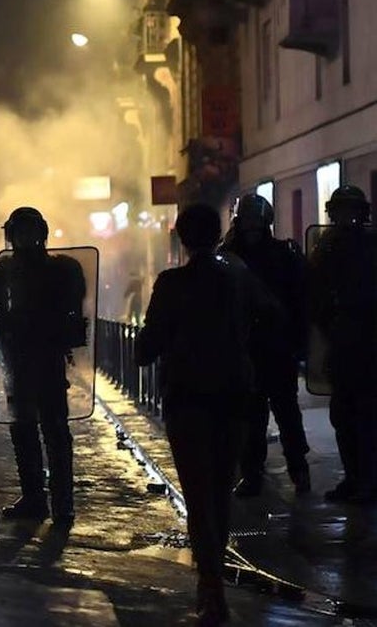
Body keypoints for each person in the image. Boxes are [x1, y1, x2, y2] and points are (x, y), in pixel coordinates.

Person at [136, 204, 263, 625]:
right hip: (234, 395)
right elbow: (272, 317)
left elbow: (147, 347)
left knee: (198, 494)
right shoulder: (239, 277)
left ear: (182, 237)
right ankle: (214, 580)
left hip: (188, 398)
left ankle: (210, 588)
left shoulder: (172, 283)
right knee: (220, 493)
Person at [0, 207, 86, 525]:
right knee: (23, 431)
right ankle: (34, 498)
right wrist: (0, 325)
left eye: (31, 231)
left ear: (42, 233)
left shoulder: (62, 270)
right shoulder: (2, 272)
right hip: (17, 360)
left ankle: (63, 503)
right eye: (20, 232)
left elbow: (74, 311)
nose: (25, 238)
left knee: (56, 432)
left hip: (48, 360)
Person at [220, 193, 311, 497]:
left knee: (283, 413)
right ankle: (256, 473)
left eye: (255, 222)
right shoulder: (232, 257)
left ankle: (295, 470)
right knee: (255, 416)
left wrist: (300, 342)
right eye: (248, 222)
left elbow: (300, 301)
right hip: (250, 348)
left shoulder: (279, 255)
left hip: (274, 347)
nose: (251, 228)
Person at [308, 185, 377, 505]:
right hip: (343, 343)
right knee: (345, 416)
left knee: (366, 416)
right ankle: (354, 478)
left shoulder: (368, 245)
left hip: (368, 344)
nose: (347, 218)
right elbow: (315, 294)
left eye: (352, 211)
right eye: (342, 211)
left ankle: (367, 482)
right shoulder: (327, 247)